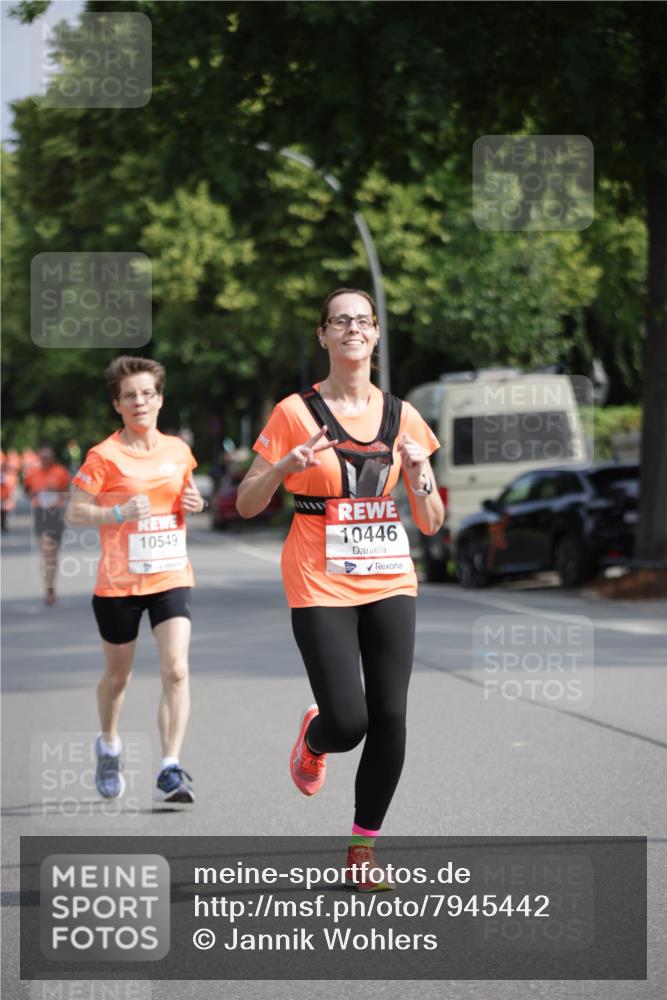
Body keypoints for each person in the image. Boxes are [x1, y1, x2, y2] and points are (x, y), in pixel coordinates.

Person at [237, 288, 444, 891]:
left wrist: (419, 473)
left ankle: (362, 849)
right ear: (323, 335)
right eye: (340, 321)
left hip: (389, 575)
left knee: (391, 714)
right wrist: (284, 466)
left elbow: (431, 522)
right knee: (349, 722)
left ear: (375, 334)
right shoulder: (293, 413)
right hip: (318, 577)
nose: (353, 328)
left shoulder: (404, 416)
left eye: (363, 320)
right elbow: (247, 503)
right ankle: (316, 736)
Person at [67, 356, 205, 804]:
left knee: (176, 669)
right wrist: (118, 512)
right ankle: (109, 744)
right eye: (130, 396)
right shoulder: (103, 456)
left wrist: (196, 503)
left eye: (147, 393)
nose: (140, 401)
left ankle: (170, 767)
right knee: (118, 678)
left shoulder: (178, 451)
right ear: (118, 405)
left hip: (170, 574)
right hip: (119, 584)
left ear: (160, 399)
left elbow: (185, 496)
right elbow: (75, 512)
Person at [23, 446, 71, 604]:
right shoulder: (32, 473)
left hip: (56, 514)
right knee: (46, 552)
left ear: (53, 458)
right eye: (43, 458)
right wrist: (36, 493)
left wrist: (56, 491)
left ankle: (51, 585)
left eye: (48, 458)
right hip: (40, 514)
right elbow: (27, 493)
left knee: (53, 555)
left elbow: (68, 494)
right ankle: (48, 589)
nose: (46, 460)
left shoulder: (61, 472)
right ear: (39, 458)